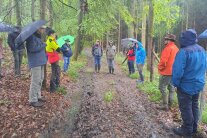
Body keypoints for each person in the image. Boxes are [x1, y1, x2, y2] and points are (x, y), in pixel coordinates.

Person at [172, 29, 207, 137]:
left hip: (185, 86)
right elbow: (204, 67)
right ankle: (194, 128)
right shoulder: (202, 50)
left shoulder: (183, 52)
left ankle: (187, 130)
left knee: (186, 108)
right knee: (194, 106)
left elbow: (178, 71)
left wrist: (175, 84)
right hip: (198, 84)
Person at [25, 26, 47, 107]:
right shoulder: (31, 37)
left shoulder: (37, 37)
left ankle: (38, 96)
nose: (43, 30)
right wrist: (43, 45)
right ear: (37, 28)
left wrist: (42, 44)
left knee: (40, 79)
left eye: (43, 29)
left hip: (41, 61)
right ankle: (33, 100)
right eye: (42, 28)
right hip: (35, 62)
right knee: (35, 81)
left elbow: (38, 47)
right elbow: (32, 49)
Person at [157, 34, 179, 111]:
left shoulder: (168, 48)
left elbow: (163, 61)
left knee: (162, 87)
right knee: (171, 89)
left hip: (166, 72)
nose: (164, 41)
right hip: (174, 72)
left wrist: (160, 68)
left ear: (169, 40)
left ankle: (164, 104)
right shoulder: (176, 48)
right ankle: (170, 105)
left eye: (166, 39)